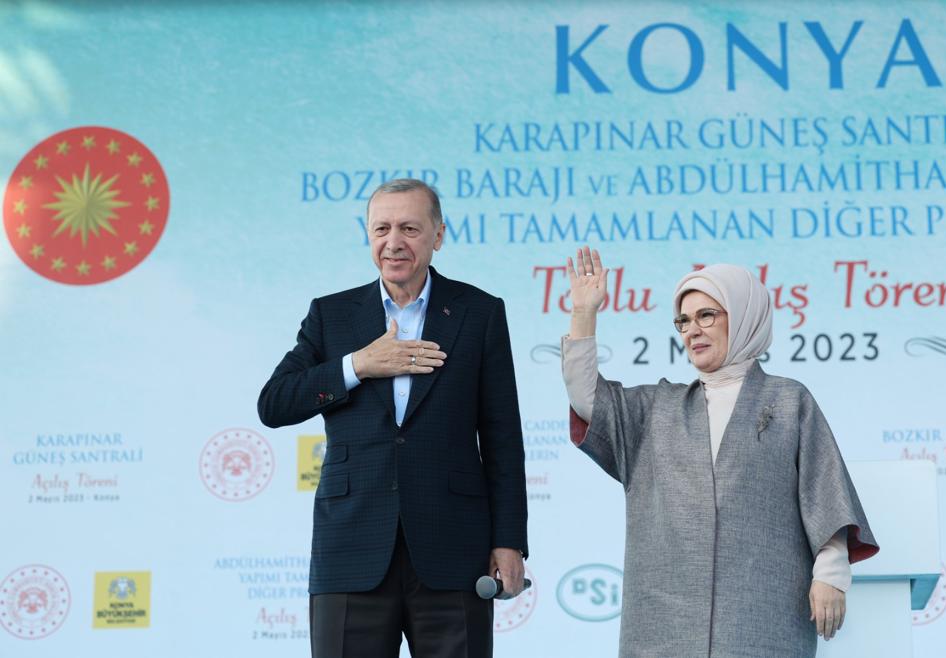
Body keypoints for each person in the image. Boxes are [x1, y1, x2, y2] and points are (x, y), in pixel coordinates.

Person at [561, 247, 879, 658]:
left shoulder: (788, 401)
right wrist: (583, 313)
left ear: (744, 315)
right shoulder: (655, 409)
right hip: (664, 622)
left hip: (762, 613)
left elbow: (824, 493)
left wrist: (831, 574)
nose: (692, 330)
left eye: (706, 315)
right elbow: (587, 398)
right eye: (683, 321)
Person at [258, 179, 528, 658]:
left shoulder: (480, 312)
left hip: (453, 551)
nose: (393, 242)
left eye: (409, 228)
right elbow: (274, 404)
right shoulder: (331, 315)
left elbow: (502, 438)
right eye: (381, 228)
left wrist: (509, 541)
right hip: (351, 550)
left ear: (438, 235)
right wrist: (358, 365)